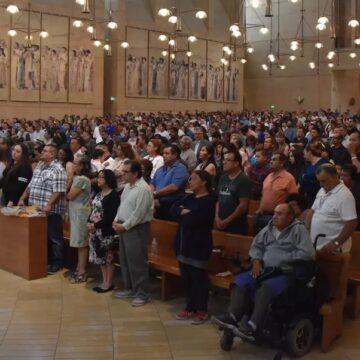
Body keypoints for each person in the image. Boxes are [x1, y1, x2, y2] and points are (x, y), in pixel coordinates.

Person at [213, 204, 315, 340]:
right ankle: (232, 316)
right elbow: (257, 246)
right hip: (264, 269)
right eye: (274, 213)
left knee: (266, 288)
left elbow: (308, 253)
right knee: (241, 281)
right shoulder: (269, 227)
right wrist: (256, 261)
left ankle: (253, 325)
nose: (275, 216)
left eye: (279, 214)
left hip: (284, 272)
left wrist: (283, 259)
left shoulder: (299, 229)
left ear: (290, 217)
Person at [171, 170, 216, 324]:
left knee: (199, 279)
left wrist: (185, 214)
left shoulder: (209, 201)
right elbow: (173, 210)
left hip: (199, 245)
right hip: (183, 243)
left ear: (204, 182)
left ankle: (202, 310)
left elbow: (197, 220)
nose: (190, 181)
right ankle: (189, 307)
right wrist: (183, 212)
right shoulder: (188, 197)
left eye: (194, 179)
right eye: (190, 178)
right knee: (187, 278)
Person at [18, 144, 67, 274]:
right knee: (40, 237)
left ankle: (57, 263)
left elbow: (58, 191)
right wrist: (22, 198)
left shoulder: (58, 169)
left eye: (45, 151)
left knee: (54, 238)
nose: (41, 152)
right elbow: (31, 185)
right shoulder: (40, 166)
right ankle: (43, 261)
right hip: (35, 209)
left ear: (52, 154)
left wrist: (49, 204)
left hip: (51, 211)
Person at [113, 160, 153, 307]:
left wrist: (125, 226)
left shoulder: (143, 189)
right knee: (125, 260)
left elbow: (139, 214)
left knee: (137, 261)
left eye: (125, 172)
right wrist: (116, 220)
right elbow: (122, 205)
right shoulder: (128, 186)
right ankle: (130, 288)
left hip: (136, 228)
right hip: (124, 225)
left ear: (135, 173)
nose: (122, 174)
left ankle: (142, 294)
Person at [307, 164, 358, 252]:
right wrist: (306, 230)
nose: (321, 184)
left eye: (323, 181)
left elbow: (351, 223)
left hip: (334, 250)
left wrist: (336, 243)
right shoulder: (322, 190)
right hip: (316, 247)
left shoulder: (345, 196)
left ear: (335, 177)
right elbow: (312, 211)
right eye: (319, 181)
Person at [88, 169, 120, 293]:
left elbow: (110, 216)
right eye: (99, 177)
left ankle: (109, 283)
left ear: (108, 180)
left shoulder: (113, 196)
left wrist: (96, 225)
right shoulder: (99, 193)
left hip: (105, 230)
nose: (99, 179)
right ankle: (104, 281)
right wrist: (89, 222)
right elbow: (93, 209)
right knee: (100, 256)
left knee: (108, 257)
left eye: (101, 177)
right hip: (95, 229)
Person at [255, 152, 298, 232]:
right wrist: (260, 209)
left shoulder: (289, 178)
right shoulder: (268, 176)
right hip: (262, 215)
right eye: (271, 159)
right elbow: (263, 195)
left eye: (274, 159)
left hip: (277, 218)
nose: (271, 161)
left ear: (281, 163)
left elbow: (293, 200)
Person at [67, 156, 91, 283]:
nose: (73, 166)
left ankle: (82, 271)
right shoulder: (79, 178)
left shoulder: (81, 179)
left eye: (75, 164)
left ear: (81, 166)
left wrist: (69, 178)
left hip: (81, 214)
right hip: (75, 213)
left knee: (81, 243)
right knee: (78, 242)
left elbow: (70, 196)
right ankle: (78, 268)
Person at [216, 149, 251, 234]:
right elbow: (219, 200)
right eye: (223, 159)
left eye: (228, 160)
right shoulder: (223, 178)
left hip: (236, 225)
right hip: (220, 222)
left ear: (236, 163)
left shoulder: (243, 180)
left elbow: (243, 206)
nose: (224, 162)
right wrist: (216, 217)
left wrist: (227, 221)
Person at [150, 144, 189, 220]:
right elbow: (152, 184)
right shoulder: (161, 168)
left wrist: (155, 194)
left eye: (167, 153)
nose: (164, 156)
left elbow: (173, 187)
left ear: (175, 155)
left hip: (171, 206)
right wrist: (154, 198)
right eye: (163, 153)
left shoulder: (180, 168)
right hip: (156, 202)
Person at [299, 142, 327, 207]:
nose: (304, 156)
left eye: (304, 153)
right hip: (308, 199)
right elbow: (300, 182)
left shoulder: (323, 164)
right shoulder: (307, 165)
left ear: (309, 152)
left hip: (320, 200)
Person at [340, 164, 360, 230]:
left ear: (353, 178)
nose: (341, 178)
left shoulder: (357, 192)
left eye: (345, 176)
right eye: (341, 175)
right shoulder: (341, 187)